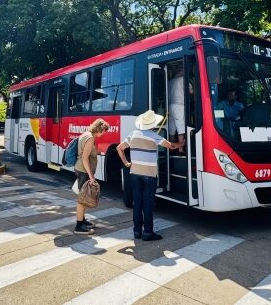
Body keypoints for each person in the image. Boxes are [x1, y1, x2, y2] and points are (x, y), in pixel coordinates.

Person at [117, 110, 184, 241]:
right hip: (149, 175)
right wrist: (181, 144)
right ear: (153, 124)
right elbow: (171, 146)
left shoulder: (133, 134)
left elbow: (120, 148)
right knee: (147, 204)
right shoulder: (154, 136)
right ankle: (147, 232)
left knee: (137, 203)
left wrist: (126, 163)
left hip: (135, 174)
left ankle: (137, 231)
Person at [73, 119, 111, 234]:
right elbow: (85, 157)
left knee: (84, 197)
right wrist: (91, 176)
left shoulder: (86, 134)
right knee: (82, 198)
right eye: (104, 131)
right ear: (99, 129)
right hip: (84, 171)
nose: (103, 134)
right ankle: (78, 226)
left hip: (82, 170)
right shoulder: (90, 138)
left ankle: (82, 220)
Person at [168, 66, 186, 150]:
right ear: (181, 72)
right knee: (180, 128)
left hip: (170, 106)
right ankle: (181, 149)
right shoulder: (183, 79)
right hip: (179, 106)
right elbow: (191, 91)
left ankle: (171, 148)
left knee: (172, 129)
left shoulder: (170, 81)